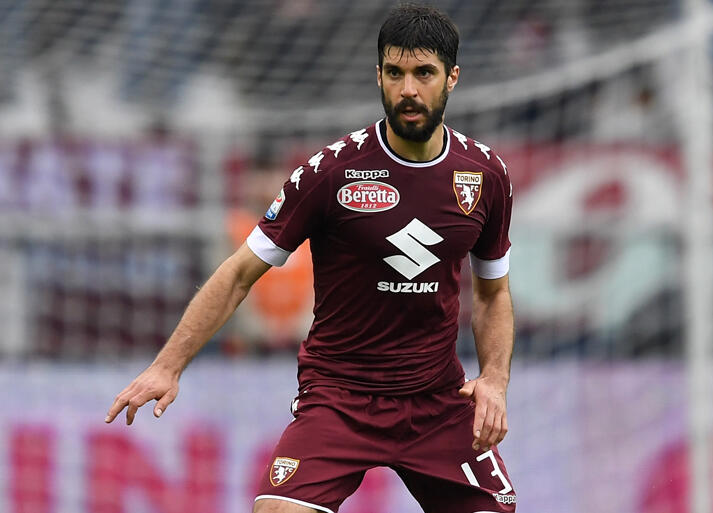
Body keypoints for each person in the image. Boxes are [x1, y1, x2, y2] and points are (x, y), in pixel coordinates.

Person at [105, 4, 517, 512]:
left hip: (437, 401)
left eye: (424, 73)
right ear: (379, 75)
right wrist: (167, 368)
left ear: (452, 77)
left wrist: (494, 380)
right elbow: (239, 274)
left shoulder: (485, 176)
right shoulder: (330, 172)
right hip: (340, 397)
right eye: (395, 73)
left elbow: (493, 293)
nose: (408, 89)